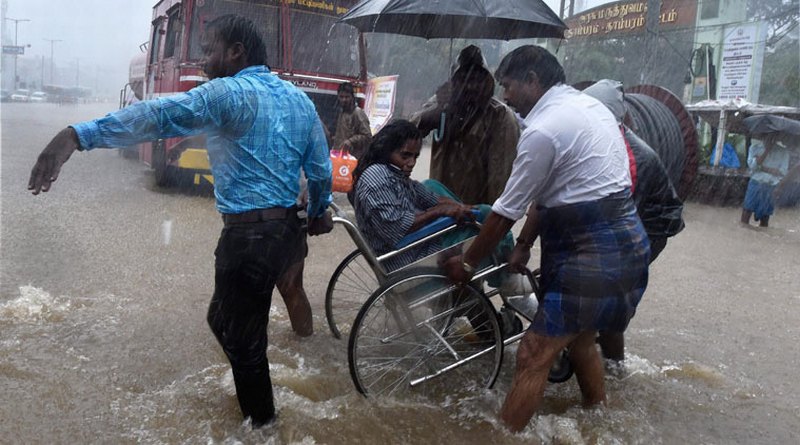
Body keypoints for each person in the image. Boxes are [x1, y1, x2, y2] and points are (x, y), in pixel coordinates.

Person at [28, 15, 333, 428]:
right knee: (222, 319)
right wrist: (318, 212)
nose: (204, 59)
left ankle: (265, 428)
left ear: (235, 53)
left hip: (247, 240)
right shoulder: (299, 100)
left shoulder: (227, 94)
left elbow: (158, 116)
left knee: (244, 347)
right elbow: (319, 168)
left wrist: (76, 136)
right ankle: (285, 374)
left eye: (209, 50)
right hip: (288, 234)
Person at [444, 45, 650, 432]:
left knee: (534, 353)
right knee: (582, 341)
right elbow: (554, 191)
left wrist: (468, 262)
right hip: (627, 245)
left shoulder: (543, 129)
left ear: (532, 81)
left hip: (591, 254)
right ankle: (597, 423)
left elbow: (506, 210)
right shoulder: (589, 109)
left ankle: (504, 437)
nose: (504, 96)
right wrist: (523, 247)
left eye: (507, 85)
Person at [582, 79, 685, 362]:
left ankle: (614, 369)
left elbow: (621, 218)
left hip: (650, 229)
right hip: (627, 221)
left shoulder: (633, 156)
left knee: (609, 301)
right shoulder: (596, 140)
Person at [352, 119, 475, 272]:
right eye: (405, 156)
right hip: (406, 257)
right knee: (481, 234)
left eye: (415, 157)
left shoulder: (396, 174)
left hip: (414, 246)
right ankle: (508, 281)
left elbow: (430, 198)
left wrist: (458, 207)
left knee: (435, 187)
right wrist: (439, 211)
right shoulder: (377, 177)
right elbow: (398, 227)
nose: (411, 163)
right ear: (387, 151)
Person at [410, 45, 520, 205]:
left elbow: (500, 177)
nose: (470, 86)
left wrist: (491, 217)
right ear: (454, 81)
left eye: (476, 80)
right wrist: (440, 110)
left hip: (477, 210)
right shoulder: (441, 103)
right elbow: (407, 133)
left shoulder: (500, 116)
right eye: (464, 79)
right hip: (440, 206)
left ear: (487, 82)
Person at [741, 135, 792, 227]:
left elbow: (782, 172)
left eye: (772, 136)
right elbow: (752, 166)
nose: (770, 139)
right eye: (767, 136)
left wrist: (762, 167)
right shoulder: (754, 148)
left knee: (765, 217)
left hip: (771, 185)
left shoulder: (783, 152)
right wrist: (766, 151)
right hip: (756, 183)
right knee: (747, 211)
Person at [332, 81, 372, 160]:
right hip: (339, 157)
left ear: (352, 97)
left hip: (352, 158)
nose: (344, 100)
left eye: (347, 97)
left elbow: (367, 136)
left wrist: (351, 141)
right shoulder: (341, 111)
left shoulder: (358, 113)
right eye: (341, 97)